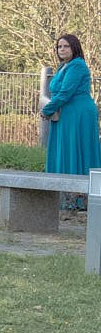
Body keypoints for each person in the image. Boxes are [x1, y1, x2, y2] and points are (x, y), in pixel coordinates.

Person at [44, 34, 100, 208]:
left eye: (66, 46)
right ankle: (63, 196)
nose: (62, 49)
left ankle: (77, 199)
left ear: (74, 47)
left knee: (74, 150)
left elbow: (66, 92)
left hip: (78, 114)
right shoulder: (63, 66)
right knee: (65, 149)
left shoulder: (77, 65)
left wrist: (47, 110)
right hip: (66, 113)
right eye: (59, 47)